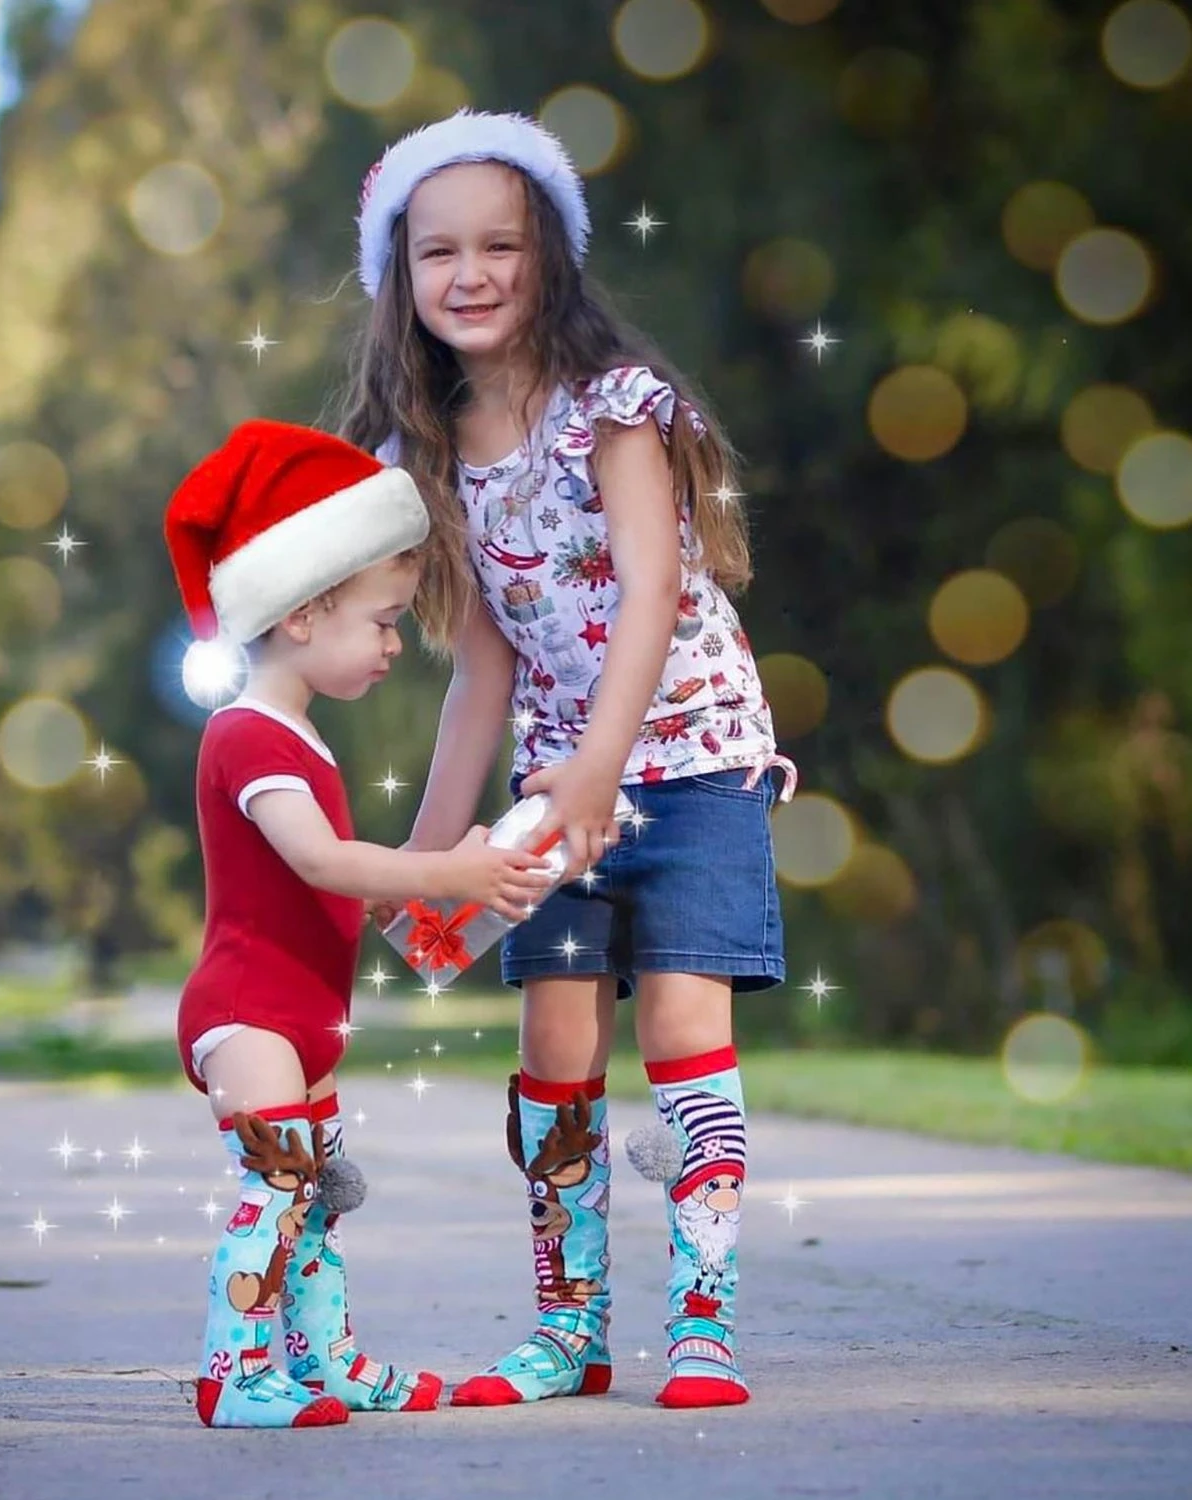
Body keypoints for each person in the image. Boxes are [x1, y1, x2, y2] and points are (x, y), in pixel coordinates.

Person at [337, 109, 797, 1411]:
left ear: (553, 258)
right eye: (439, 252)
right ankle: (571, 1330)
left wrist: (604, 771)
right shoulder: (426, 461)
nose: (470, 273)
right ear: (401, 278)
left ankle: (701, 1325)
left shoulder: (615, 407)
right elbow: (483, 667)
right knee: (551, 1052)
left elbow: (653, 587)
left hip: (694, 760)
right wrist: (426, 859)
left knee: (685, 1029)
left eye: (501, 244)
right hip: (555, 790)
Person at [163, 418, 552, 1429]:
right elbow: (319, 860)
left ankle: (321, 1360)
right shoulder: (247, 734)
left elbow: (329, 882)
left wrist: (425, 899)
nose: (393, 643)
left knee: (317, 1199)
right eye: (381, 620)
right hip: (250, 1013)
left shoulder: (294, 738)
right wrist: (444, 864)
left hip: (300, 1018)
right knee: (281, 1189)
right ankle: (235, 1369)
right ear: (302, 612)